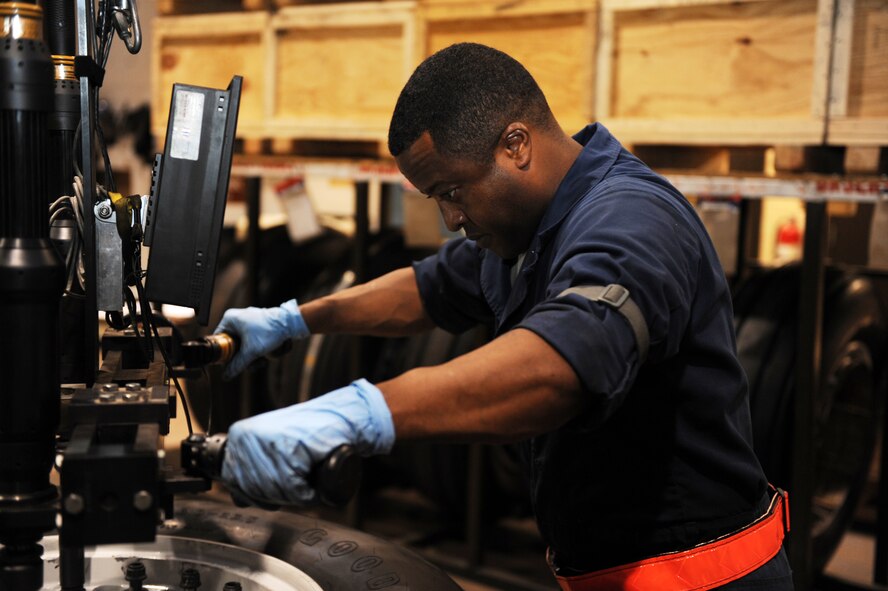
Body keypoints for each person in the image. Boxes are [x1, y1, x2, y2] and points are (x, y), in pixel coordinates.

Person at [214, 43, 794, 590]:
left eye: (452, 191)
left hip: (706, 577)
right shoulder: (527, 230)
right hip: (606, 569)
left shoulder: (631, 220)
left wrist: (359, 414)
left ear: (516, 144)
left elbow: (561, 366)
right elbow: (426, 288)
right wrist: (292, 319)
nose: (450, 219)